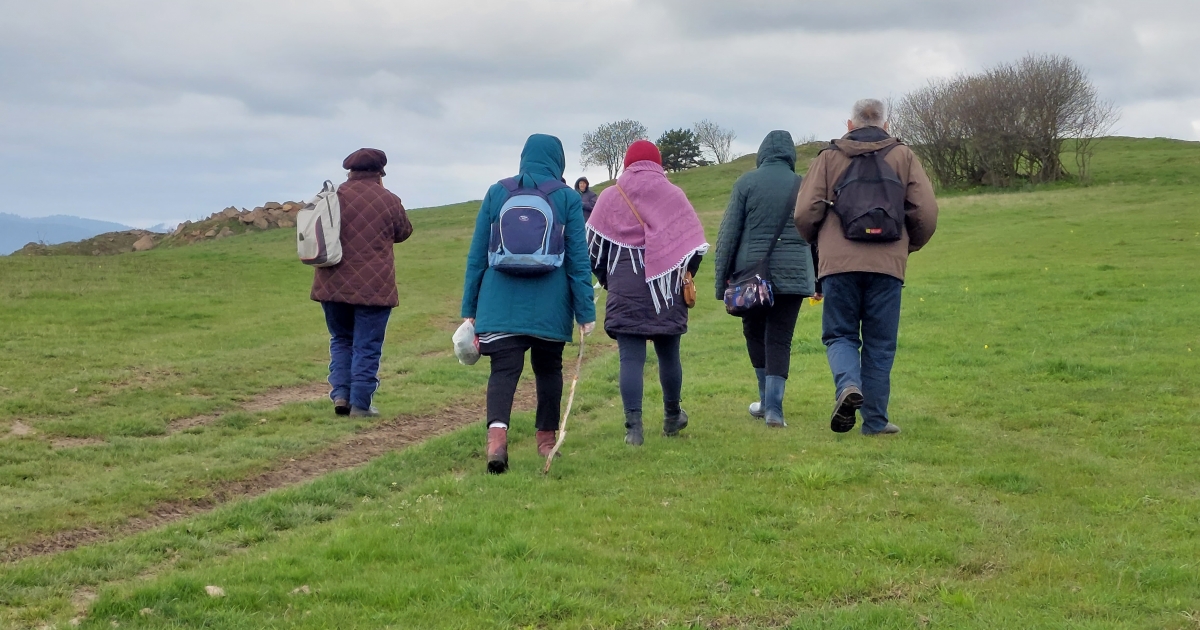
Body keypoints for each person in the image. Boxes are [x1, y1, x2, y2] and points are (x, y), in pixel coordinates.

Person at [795, 99, 938, 435]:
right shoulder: (904, 156)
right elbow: (927, 213)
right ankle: (875, 421)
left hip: (838, 264)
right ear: (885, 125)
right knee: (880, 342)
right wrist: (905, 246)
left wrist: (819, 244)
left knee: (841, 334)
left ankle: (847, 385)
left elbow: (804, 213)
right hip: (887, 264)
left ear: (849, 124)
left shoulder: (829, 157)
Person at [462, 133, 596, 474]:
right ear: (558, 161)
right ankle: (546, 440)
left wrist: (470, 309)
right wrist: (586, 313)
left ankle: (496, 441)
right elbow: (579, 261)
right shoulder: (567, 197)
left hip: (499, 301)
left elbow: (477, 255)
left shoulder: (497, 192)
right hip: (551, 304)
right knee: (549, 370)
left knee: (503, 371)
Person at [587, 140, 708, 445]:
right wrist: (682, 273)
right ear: (658, 163)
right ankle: (671, 417)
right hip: (667, 288)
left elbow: (593, 252)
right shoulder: (674, 195)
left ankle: (634, 429)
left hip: (624, 287)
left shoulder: (610, 197)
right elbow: (695, 247)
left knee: (630, 358)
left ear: (627, 163)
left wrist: (610, 279)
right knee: (669, 355)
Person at [713, 130, 816, 428]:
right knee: (780, 338)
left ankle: (765, 400)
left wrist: (722, 285)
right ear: (790, 155)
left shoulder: (746, 183)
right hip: (794, 274)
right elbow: (816, 234)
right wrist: (818, 280)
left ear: (761, 153)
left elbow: (728, 235)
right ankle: (774, 409)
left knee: (754, 332)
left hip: (751, 275)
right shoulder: (804, 184)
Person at [311, 148, 413, 418]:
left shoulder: (332, 198)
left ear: (350, 171)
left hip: (331, 283)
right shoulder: (389, 200)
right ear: (380, 172)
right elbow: (403, 232)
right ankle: (361, 404)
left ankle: (341, 396)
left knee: (341, 339)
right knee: (367, 344)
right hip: (374, 287)